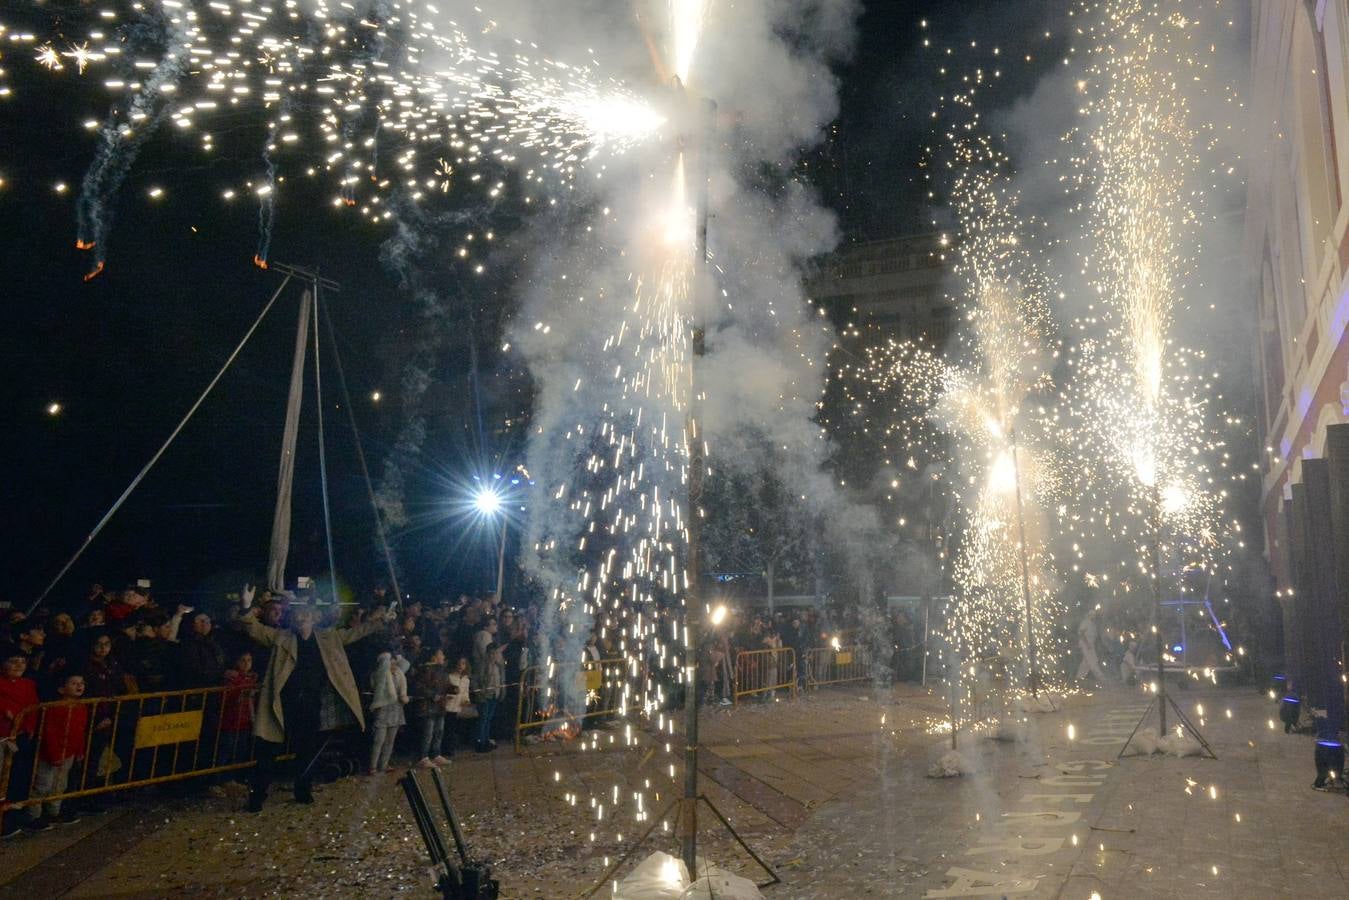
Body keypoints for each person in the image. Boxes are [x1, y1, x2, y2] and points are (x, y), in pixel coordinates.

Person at [235, 588, 388, 812]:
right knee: (268, 750)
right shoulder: (281, 637)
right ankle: (257, 797)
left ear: (314, 618)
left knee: (307, 750)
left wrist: (379, 621)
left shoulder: (329, 638)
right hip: (282, 703)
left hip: (311, 703)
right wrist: (246, 607)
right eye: (298, 615)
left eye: (306, 615)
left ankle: (303, 790)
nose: (302, 618)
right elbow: (254, 628)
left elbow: (355, 633)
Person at [28, 672, 89, 830]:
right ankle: (34, 815)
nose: (79, 686)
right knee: (43, 783)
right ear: (61, 689)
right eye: (74, 683)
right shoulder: (54, 708)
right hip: (51, 753)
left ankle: (53, 811)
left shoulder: (82, 706)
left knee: (60, 783)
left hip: (69, 751)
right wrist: (54, 754)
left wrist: (79, 750)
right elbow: (49, 732)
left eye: (81, 683)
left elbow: (80, 730)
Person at [0, 650, 40, 838]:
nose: (18, 665)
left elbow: (33, 706)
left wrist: (29, 726)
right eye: (13, 661)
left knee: (16, 776)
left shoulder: (28, 684)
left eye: (22, 661)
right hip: (3, 736)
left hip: (21, 735)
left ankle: (12, 815)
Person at [368, 651, 409, 775]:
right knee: (379, 740)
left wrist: (398, 656)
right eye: (391, 663)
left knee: (390, 741)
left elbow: (406, 664)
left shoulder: (399, 674)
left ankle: (384, 765)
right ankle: (372, 766)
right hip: (383, 710)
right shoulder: (379, 675)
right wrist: (386, 657)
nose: (394, 665)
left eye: (395, 663)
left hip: (396, 709)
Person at [412, 647, 451, 769]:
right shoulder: (425, 670)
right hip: (428, 707)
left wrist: (453, 689)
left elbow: (446, 685)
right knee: (428, 733)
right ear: (433, 657)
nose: (443, 656)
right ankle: (423, 757)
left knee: (439, 732)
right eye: (441, 654)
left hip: (440, 706)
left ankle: (436, 754)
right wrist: (432, 695)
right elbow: (418, 686)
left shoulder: (443, 671)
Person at [218, 651, 257, 768]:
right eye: (243, 661)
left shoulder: (251, 679)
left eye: (249, 660)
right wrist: (239, 694)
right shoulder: (232, 678)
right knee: (225, 752)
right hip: (231, 721)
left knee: (240, 752)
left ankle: (232, 775)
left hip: (245, 722)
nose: (246, 664)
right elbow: (225, 697)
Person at [474, 642, 504, 752]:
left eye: (496, 653)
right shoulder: (482, 665)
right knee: (483, 719)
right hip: (484, 696)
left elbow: (501, 680)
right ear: (487, 654)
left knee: (488, 719)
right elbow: (476, 680)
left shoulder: (498, 666)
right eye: (491, 653)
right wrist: (479, 693)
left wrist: (501, 692)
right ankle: (480, 742)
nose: (493, 656)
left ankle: (486, 740)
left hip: (494, 695)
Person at [446, 656, 472, 757]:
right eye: (459, 663)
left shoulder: (466, 680)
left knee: (453, 729)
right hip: (448, 706)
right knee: (448, 729)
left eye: (463, 663)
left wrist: (466, 701)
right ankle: (447, 749)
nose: (461, 666)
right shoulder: (450, 676)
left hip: (458, 707)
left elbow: (465, 693)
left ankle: (451, 748)